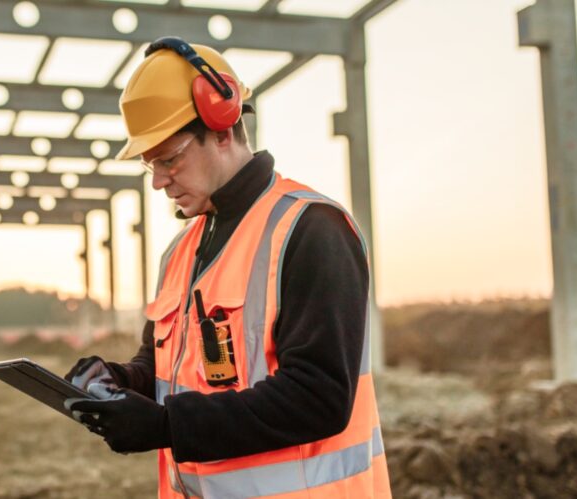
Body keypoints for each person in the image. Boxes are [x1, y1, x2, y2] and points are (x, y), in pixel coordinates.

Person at [64, 36, 391, 498]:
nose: (158, 181)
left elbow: (318, 398)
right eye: (148, 164)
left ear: (221, 127)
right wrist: (117, 381)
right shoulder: (180, 252)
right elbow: (163, 368)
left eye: (169, 159)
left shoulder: (311, 229)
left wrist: (165, 425)